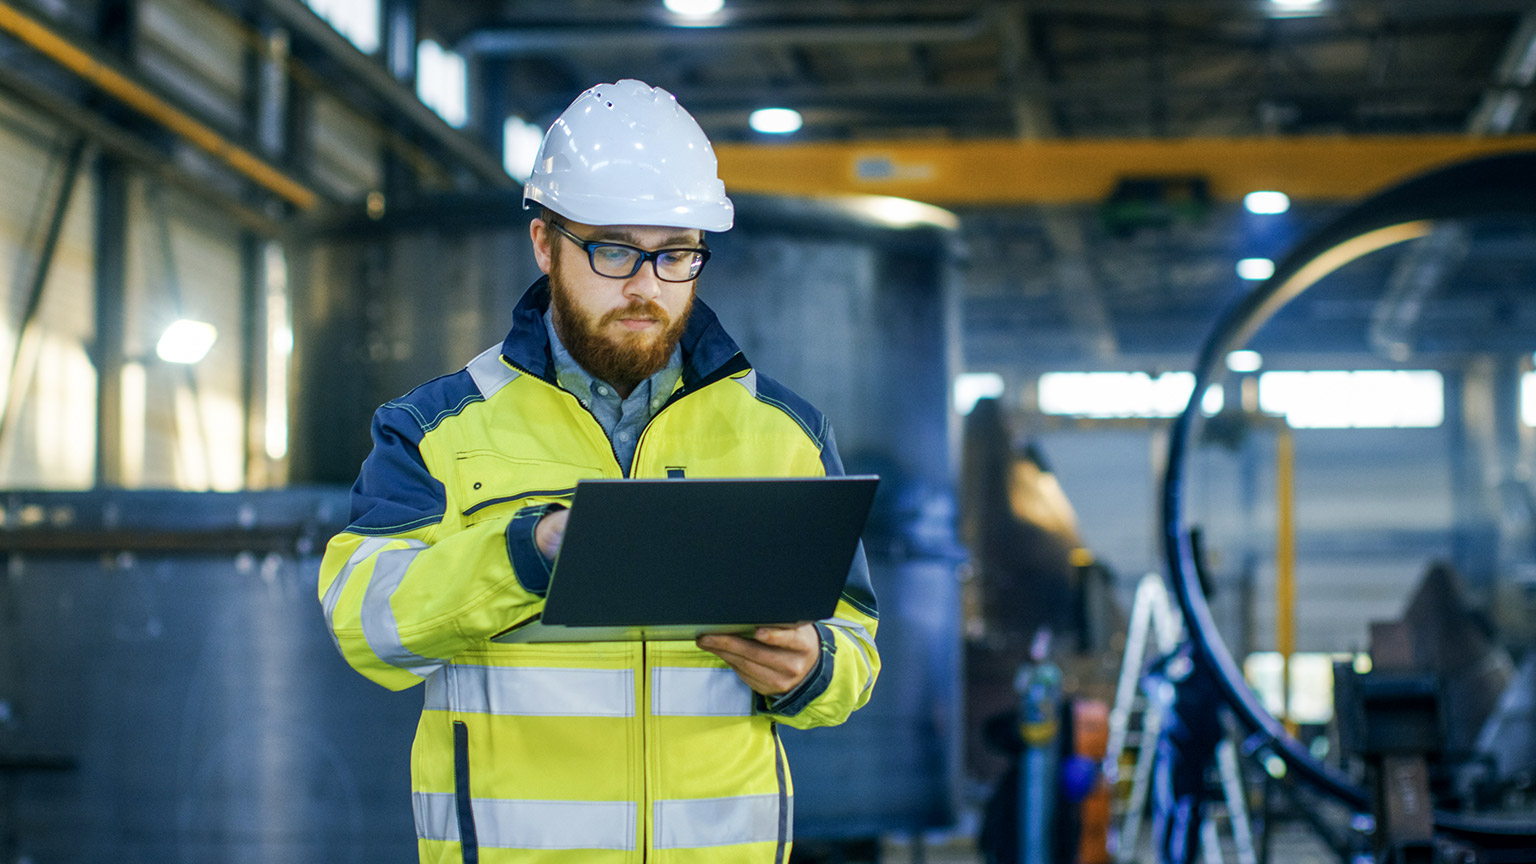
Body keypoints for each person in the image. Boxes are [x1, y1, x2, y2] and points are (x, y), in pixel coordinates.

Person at [317, 79, 881, 864]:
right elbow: (366, 627)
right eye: (614, 249)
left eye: (676, 254)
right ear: (545, 244)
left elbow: (855, 644)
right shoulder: (434, 429)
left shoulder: (785, 433)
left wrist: (814, 666)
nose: (645, 285)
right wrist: (528, 548)